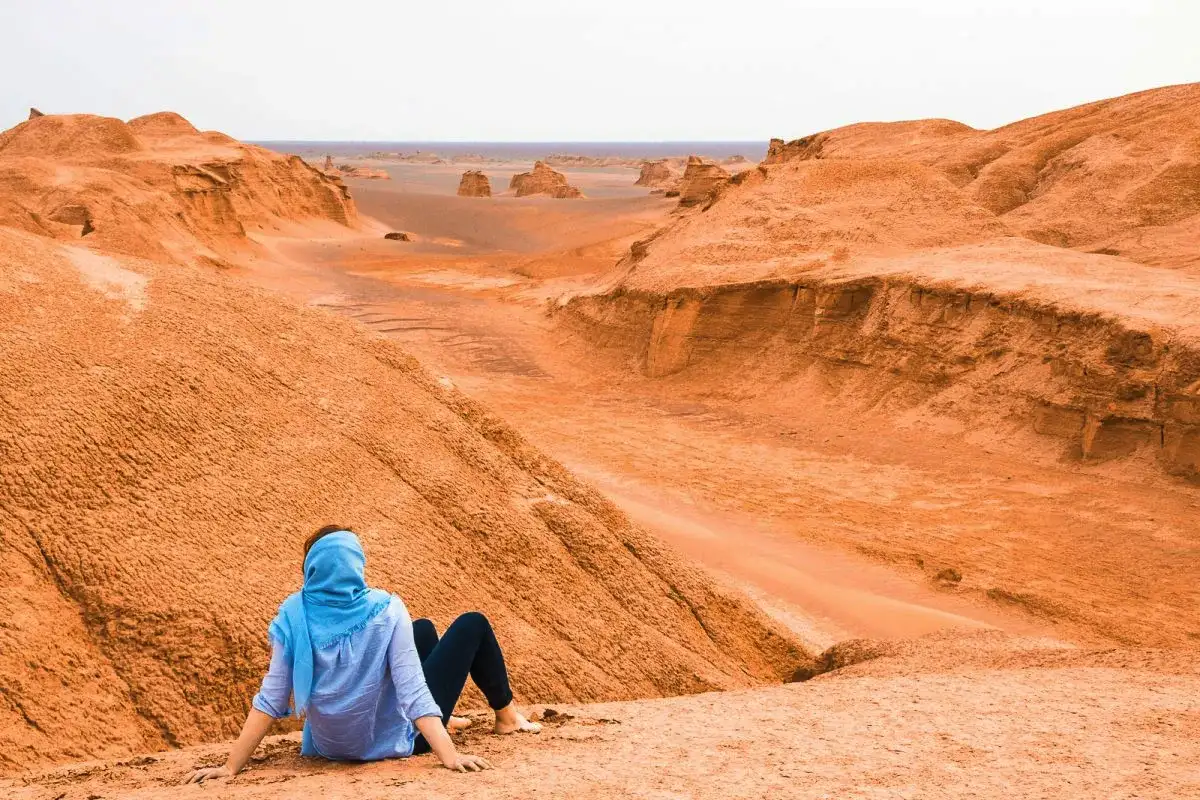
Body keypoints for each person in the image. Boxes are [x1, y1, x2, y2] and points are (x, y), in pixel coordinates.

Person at [184, 525, 539, 783]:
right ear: (356, 565)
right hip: (392, 742)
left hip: (328, 746)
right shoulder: (385, 608)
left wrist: (231, 767)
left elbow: (271, 699)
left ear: (311, 569)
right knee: (471, 623)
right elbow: (412, 689)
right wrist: (450, 756)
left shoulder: (292, 614)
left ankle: (447, 718)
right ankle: (507, 718)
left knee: (423, 629)